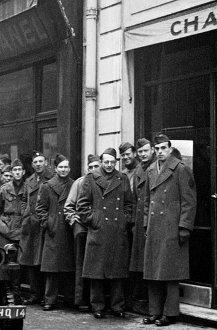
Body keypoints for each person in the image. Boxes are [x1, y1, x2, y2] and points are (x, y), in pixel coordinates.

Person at [142, 134, 196, 327]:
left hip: (172, 228)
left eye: (163, 148)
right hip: (155, 228)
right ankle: (154, 312)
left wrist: (184, 227)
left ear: (170, 148)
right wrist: (146, 223)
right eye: (157, 149)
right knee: (153, 273)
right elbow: (147, 201)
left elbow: (189, 202)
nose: (160, 152)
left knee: (170, 274)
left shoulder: (181, 169)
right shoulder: (150, 170)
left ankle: (170, 313)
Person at [76, 148, 134, 319]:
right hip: (98, 231)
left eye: (112, 162)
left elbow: (129, 204)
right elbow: (82, 205)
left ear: (116, 162)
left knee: (117, 272)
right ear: (101, 162)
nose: (109, 165)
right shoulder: (91, 178)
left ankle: (117, 306)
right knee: (97, 272)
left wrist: (124, 220)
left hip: (117, 230)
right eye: (106, 162)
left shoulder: (122, 178)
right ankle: (97, 306)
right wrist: (95, 220)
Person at [36, 154, 75, 311]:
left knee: (68, 269)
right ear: (55, 168)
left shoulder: (74, 184)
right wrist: (48, 223)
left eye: (66, 167)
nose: (64, 170)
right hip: (53, 231)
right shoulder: (47, 186)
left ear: (69, 168)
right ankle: (49, 300)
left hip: (68, 230)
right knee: (52, 270)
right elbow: (40, 209)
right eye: (61, 167)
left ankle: (69, 299)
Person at [63, 154, 100, 311]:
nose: (92, 170)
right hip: (82, 228)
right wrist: (75, 221)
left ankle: (97, 300)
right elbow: (68, 206)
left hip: (98, 227)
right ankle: (80, 299)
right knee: (81, 264)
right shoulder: (79, 183)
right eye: (90, 167)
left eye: (95, 167)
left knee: (96, 264)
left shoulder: (103, 182)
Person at [0, 159, 26, 304]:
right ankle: (5, 293)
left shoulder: (28, 188)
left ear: (23, 172)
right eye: (15, 170)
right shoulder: (4, 189)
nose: (17, 172)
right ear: (11, 172)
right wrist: (1, 225)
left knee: (19, 264)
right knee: (3, 263)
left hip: (22, 229)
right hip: (6, 230)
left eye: (19, 170)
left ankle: (16, 293)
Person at [20, 151, 53, 305]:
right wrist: (24, 214)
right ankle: (35, 294)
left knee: (44, 262)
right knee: (31, 261)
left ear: (46, 162)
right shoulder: (29, 181)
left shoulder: (52, 178)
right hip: (31, 225)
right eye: (35, 162)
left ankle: (47, 296)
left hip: (45, 225)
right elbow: (23, 199)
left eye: (41, 161)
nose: (38, 164)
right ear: (32, 165)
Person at [128, 138, 155, 314]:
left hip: (152, 220)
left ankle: (151, 302)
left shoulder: (155, 168)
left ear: (152, 150)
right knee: (139, 264)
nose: (143, 154)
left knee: (151, 263)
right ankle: (141, 301)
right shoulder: (138, 170)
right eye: (140, 152)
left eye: (146, 151)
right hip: (139, 222)